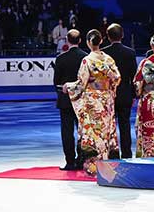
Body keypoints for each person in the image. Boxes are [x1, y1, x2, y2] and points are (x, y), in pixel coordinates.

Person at [65, 29, 121, 176]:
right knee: (106, 129)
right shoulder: (108, 60)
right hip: (106, 98)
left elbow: (81, 83)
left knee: (94, 130)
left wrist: (68, 86)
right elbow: (116, 78)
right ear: (101, 41)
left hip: (92, 99)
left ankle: (94, 165)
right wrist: (109, 90)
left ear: (89, 42)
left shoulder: (87, 61)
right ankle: (108, 162)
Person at [102, 23, 138, 158]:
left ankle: (112, 153)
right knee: (125, 124)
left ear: (108, 37)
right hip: (125, 94)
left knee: (109, 126)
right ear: (122, 35)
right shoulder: (130, 52)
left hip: (109, 95)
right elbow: (133, 76)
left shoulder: (103, 53)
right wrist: (134, 95)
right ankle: (127, 153)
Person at [53, 30, 87, 171]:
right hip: (81, 99)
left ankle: (70, 161)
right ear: (80, 40)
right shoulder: (86, 58)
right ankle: (81, 160)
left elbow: (56, 82)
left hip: (66, 100)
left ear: (67, 40)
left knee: (67, 131)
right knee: (82, 131)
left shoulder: (61, 59)